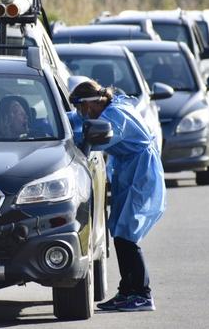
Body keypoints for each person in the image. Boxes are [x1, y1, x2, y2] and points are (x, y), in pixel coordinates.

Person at [69, 80, 166, 312]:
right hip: (129, 172)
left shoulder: (115, 117)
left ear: (91, 104)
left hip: (141, 175)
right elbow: (74, 121)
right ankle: (127, 291)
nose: (80, 114)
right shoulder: (110, 108)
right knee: (120, 231)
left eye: (81, 108)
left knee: (126, 235)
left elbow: (92, 138)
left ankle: (142, 294)